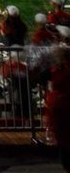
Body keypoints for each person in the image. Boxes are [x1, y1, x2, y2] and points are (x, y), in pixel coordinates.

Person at [44, 44, 70, 172]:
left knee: (64, 143)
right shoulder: (58, 69)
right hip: (60, 110)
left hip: (61, 109)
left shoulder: (58, 70)